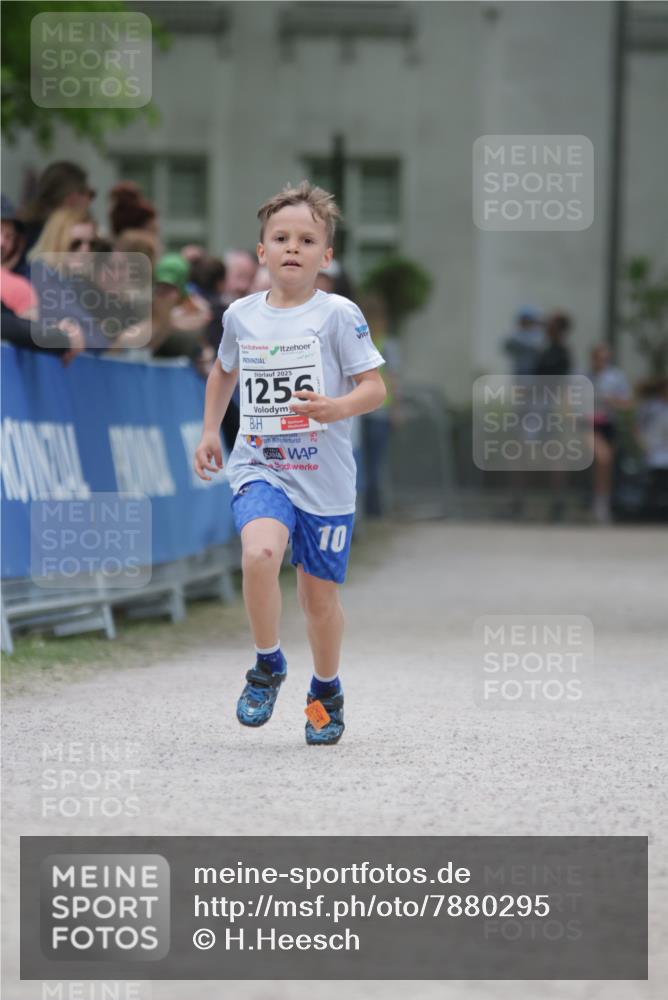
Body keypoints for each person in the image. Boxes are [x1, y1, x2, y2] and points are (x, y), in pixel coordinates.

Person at [193, 181, 386, 745]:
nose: (292, 248)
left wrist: (335, 407)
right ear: (262, 252)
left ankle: (325, 691)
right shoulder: (241, 316)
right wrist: (211, 429)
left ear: (325, 256)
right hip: (261, 464)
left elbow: (374, 388)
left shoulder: (338, 315)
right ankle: (267, 664)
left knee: (317, 599)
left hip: (324, 479)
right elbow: (224, 370)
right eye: (281, 238)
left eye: (307, 239)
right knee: (259, 553)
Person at [16, 161, 95, 274]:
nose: (86, 250)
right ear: (72, 197)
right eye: (90, 194)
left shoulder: (20, 229)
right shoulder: (33, 235)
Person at [588, 343, 632, 524]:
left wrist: (611, 400)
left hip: (608, 423)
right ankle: (600, 504)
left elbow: (627, 403)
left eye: (605, 359)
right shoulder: (584, 377)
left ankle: (601, 501)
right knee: (603, 458)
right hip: (588, 424)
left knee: (606, 465)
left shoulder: (616, 377)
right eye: (599, 358)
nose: (602, 362)